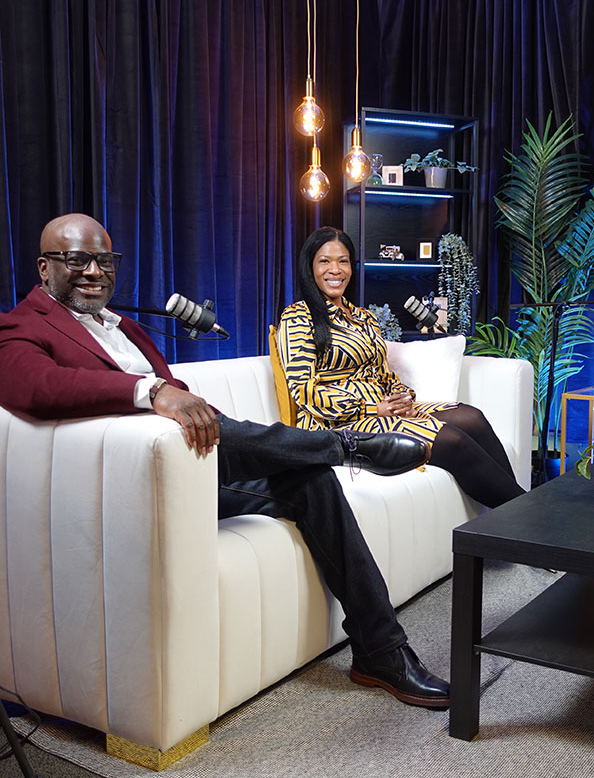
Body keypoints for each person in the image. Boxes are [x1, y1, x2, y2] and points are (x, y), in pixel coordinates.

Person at [0, 213, 450, 709]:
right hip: (132, 481)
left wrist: (189, 406)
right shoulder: (22, 324)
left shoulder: (123, 326)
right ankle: (349, 447)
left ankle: (380, 652)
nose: (93, 271)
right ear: (44, 269)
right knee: (306, 459)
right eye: (76, 259)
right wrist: (149, 391)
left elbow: (181, 398)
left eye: (104, 260)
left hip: (192, 468)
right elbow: (34, 386)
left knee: (312, 480)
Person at [278, 226, 526, 509]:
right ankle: (525, 521)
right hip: (337, 424)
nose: (335, 269)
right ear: (310, 266)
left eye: (343, 260)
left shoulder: (364, 318)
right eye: (325, 261)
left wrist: (403, 398)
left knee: (471, 417)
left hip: (383, 408)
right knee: (453, 439)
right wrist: (374, 409)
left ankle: (518, 518)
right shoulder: (299, 317)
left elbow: (382, 375)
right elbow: (304, 391)